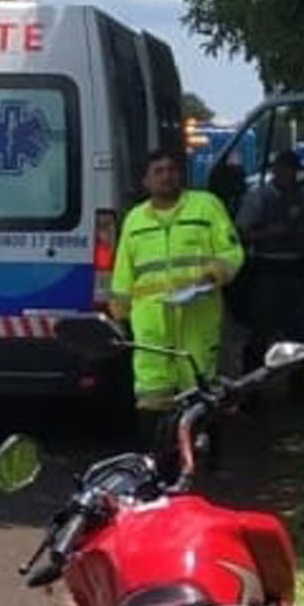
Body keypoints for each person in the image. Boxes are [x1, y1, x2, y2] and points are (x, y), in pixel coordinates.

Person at [108, 147, 246, 426]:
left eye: (171, 170)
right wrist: (119, 314)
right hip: (151, 327)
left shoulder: (206, 206)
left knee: (202, 398)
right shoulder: (135, 219)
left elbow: (231, 252)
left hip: (197, 319)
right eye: (158, 172)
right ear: (145, 181)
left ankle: (203, 462)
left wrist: (213, 274)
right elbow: (124, 270)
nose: (166, 176)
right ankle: (158, 461)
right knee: (152, 398)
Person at [235, 146, 304, 400]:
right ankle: (250, 392)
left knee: (298, 334)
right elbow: (240, 232)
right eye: (281, 169)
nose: (284, 174)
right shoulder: (258, 197)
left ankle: (298, 389)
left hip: (296, 269)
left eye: (290, 170)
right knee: (258, 334)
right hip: (266, 269)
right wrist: (266, 235)